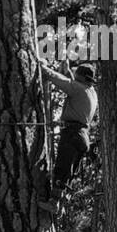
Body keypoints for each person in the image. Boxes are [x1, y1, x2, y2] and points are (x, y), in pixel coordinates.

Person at [38, 60, 98, 214]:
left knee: (62, 170)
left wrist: (40, 66)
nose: (75, 76)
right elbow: (72, 85)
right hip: (81, 136)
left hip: (72, 134)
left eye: (77, 75)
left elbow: (55, 78)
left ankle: (53, 202)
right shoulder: (91, 92)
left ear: (82, 78)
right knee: (68, 173)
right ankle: (61, 201)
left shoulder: (78, 88)